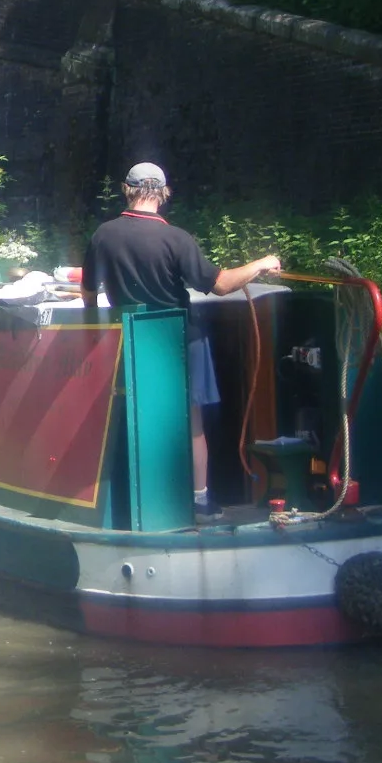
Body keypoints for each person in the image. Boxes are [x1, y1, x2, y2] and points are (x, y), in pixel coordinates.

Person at [81, 162, 280, 521]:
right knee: (192, 422)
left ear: (127, 190)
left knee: (138, 417)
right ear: (164, 193)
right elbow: (219, 284)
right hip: (178, 341)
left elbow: (87, 290)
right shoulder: (176, 239)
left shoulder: (103, 235)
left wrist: (97, 330)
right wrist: (261, 264)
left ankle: (135, 498)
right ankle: (200, 499)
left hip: (130, 340)